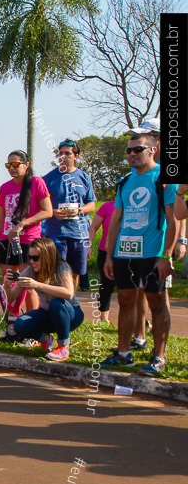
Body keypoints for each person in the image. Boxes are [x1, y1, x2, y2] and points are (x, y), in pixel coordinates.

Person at [101, 133, 177, 376]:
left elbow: (172, 219)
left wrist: (167, 255)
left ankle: (159, 357)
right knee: (125, 302)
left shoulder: (163, 179)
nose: (132, 154)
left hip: (153, 253)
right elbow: (115, 221)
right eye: (129, 151)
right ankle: (123, 353)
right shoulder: (125, 181)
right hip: (125, 253)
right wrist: (110, 256)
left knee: (156, 302)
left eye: (137, 149)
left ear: (152, 150)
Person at [2, 238, 83, 361]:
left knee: (56, 303)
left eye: (35, 258)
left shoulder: (61, 267)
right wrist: (7, 286)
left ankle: (64, 347)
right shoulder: (30, 270)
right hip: (47, 313)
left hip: (70, 314)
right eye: (30, 257)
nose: (32, 261)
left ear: (46, 257)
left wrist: (37, 285)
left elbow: (68, 293)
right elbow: (12, 297)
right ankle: (45, 339)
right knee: (19, 324)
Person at [0, 150, 53, 316]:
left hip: (28, 241)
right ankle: (13, 320)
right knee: (9, 281)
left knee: (28, 283)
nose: (11, 168)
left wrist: (23, 224)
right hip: (6, 240)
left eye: (15, 164)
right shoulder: (5, 188)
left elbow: (48, 211)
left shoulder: (36, 182)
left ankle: (32, 321)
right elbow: (0, 219)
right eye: (8, 165)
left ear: (26, 165)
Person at [42, 139, 97, 290]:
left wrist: (79, 210)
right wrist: (52, 212)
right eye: (60, 153)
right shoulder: (48, 178)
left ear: (76, 156)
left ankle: (70, 304)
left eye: (67, 153)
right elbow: (37, 205)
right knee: (57, 273)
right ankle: (56, 307)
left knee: (75, 273)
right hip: (55, 233)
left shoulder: (84, 177)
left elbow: (92, 204)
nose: (63, 156)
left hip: (79, 234)